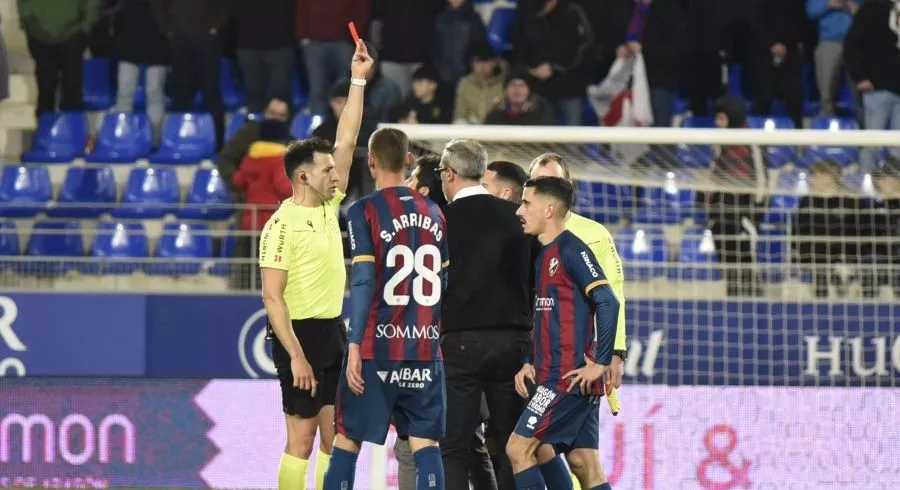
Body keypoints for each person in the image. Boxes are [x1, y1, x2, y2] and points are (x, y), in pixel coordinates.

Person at [257, 40, 372, 490]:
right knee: (301, 441)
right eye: (327, 170)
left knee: (337, 437)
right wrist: (297, 356)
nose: (336, 174)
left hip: (331, 331)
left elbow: (347, 138)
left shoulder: (328, 206)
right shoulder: (281, 225)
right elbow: (271, 297)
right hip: (299, 337)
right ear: (304, 176)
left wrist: (358, 78)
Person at [324, 128, 449, 490]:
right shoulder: (436, 213)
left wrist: (354, 344)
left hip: (378, 345)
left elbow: (363, 281)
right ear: (409, 160)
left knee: (348, 439)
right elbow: (443, 285)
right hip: (425, 346)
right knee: (426, 442)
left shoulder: (363, 210)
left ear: (372, 162)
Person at [508, 176, 620, 490]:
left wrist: (601, 362)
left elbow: (608, 300)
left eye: (527, 203)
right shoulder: (544, 255)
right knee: (584, 466)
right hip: (555, 375)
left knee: (519, 449)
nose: (520, 210)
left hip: (566, 378)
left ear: (549, 209)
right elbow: (545, 317)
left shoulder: (572, 249)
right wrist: (530, 359)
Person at [438, 140, 534, 490]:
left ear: (449, 174)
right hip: (514, 345)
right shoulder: (519, 216)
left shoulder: (440, 220)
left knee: (454, 447)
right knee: (515, 446)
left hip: (459, 343)